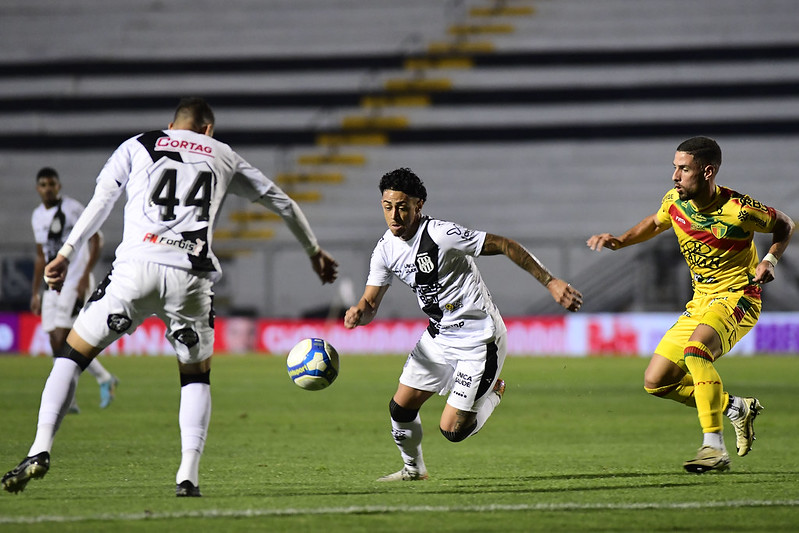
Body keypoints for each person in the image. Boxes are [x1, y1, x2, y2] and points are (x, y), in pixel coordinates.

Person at [3, 97, 338, 497]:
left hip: (134, 269)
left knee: (72, 356)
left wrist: (65, 253)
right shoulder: (222, 154)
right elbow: (283, 203)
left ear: (171, 124)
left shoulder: (139, 144)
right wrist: (314, 252)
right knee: (195, 377)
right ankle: (187, 477)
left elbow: (101, 201)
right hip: (190, 277)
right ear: (208, 130)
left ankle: (39, 449)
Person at [344, 168, 583, 481]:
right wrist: (359, 313)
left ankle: (494, 391)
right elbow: (371, 303)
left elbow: (505, 244)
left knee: (452, 431)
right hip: (439, 337)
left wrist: (551, 282)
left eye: (402, 207)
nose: (394, 215)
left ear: (419, 205)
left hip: (480, 341)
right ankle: (414, 470)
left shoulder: (442, 235)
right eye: (388, 207)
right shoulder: (385, 250)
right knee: (400, 408)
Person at [587, 137, 794, 474]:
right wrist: (621, 240)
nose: (674, 176)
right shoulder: (675, 202)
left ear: (707, 171)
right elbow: (656, 222)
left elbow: (785, 224)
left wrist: (769, 259)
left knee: (697, 352)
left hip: (737, 297)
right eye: (674, 168)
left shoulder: (740, 210)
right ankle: (735, 407)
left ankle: (713, 447)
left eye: (683, 169)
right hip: (700, 303)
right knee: (657, 382)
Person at [31, 167, 118, 412]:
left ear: (58, 186)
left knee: (63, 338)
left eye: (52, 184)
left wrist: (85, 275)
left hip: (74, 280)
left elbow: (96, 238)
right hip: (52, 284)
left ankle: (70, 397)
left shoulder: (72, 208)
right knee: (55, 343)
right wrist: (35, 292)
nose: (48, 188)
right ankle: (99, 381)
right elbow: (40, 256)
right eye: (43, 184)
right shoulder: (37, 216)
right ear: (38, 189)